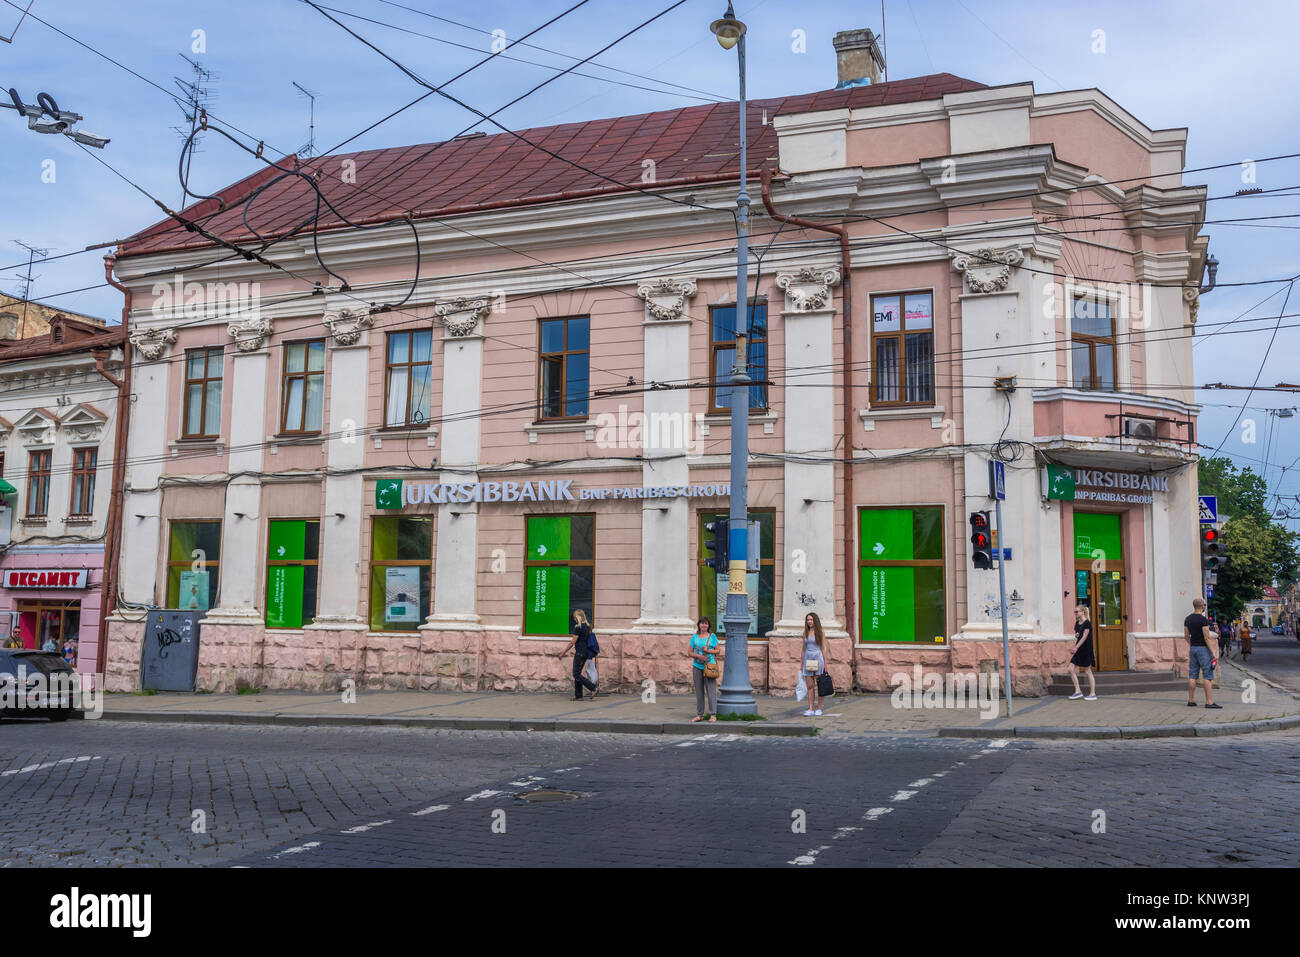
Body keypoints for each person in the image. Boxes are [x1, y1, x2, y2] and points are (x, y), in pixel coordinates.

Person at [1183, 598, 1221, 709]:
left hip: (1193, 648)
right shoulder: (1203, 620)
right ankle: (1209, 702)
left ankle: (1191, 700)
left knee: (1192, 675)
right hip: (1203, 649)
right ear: (1202, 606)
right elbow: (1207, 637)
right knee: (1207, 675)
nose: (1205, 606)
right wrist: (1213, 652)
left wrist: (1192, 644)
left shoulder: (1188, 619)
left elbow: (1186, 636)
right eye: (1204, 604)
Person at [555, 609, 598, 701]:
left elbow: (572, 642)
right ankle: (579, 696)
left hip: (580, 653)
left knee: (576, 674)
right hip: (585, 652)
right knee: (577, 673)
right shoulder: (587, 626)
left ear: (578, 617)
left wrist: (563, 652)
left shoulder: (578, 627)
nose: (574, 618)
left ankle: (593, 688)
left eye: (574, 617)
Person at [687, 616, 720, 723]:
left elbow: (718, 651)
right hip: (697, 666)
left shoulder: (712, 636)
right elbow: (689, 652)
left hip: (710, 667)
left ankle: (713, 715)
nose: (704, 625)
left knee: (711, 691)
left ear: (708, 625)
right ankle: (700, 715)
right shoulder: (694, 637)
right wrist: (698, 656)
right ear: (699, 625)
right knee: (699, 692)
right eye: (702, 623)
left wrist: (709, 651)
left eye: (706, 623)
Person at [800, 612, 829, 716]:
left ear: (815, 621)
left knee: (820, 685)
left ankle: (819, 708)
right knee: (810, 686)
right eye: (808, 620)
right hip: (808, 660)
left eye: (811, 620)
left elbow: (824, 648)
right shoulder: (805, 632)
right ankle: (811, 708)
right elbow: (803, 649)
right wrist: (801, 664)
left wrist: (825, 663)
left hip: (818, 659)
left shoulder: (821, 632)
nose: (809, 622)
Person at [1067, 604, 1097, 699]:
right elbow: (1078, 634)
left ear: (1082, 612)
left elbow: (1084, 637)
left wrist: (1076, 647)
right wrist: (1076, 635)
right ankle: (1078, 691)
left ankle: (1092, 694)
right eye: (1074, 612)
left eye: (1077, 611)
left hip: (1086, 649)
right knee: (1070, 669)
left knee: (1088, 671)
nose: (1075, 613)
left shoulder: (1087, 623)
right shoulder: (1077, 623)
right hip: (1079, 649)